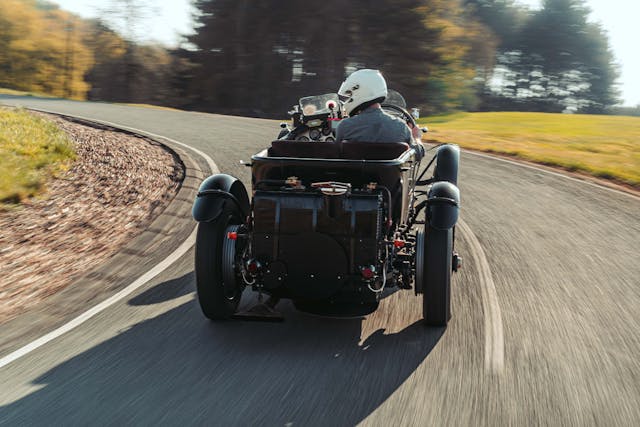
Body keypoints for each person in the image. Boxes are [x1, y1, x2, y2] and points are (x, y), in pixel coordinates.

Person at [335, 69, 422, 144]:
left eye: (350, 94)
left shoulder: (345, 126)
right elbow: (417, 154)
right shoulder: (401, 127)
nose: (349, 98)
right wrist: (416, 138)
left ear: (361, 91)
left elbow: (337, 152)